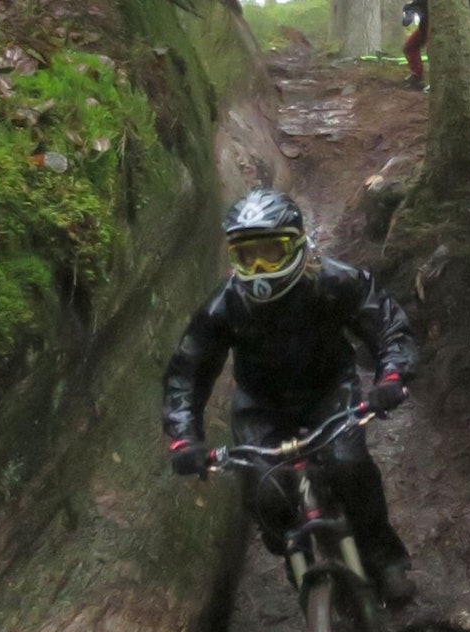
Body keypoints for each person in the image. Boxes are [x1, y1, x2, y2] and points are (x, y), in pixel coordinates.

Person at [161, 188, 419, 605]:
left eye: (271, 253)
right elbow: (186, 374)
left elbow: (388, 324)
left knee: (349, 465)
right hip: (260, 403)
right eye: (248, 256)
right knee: (267, 493)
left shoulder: (334, 282)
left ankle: (386, 560)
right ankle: (293, 554)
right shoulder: (224, 307)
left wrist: (390, 377)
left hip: (330, 389)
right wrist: (184, 438)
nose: (259, 268)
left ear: (298, 247)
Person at [401, 0, 428, 89]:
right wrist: (410, 9)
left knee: (435, 51)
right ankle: (417, 76)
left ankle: (440, 82)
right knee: (410, 47)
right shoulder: (418, 3)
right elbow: (406, 22)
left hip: (440, 28)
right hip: (424, 28)